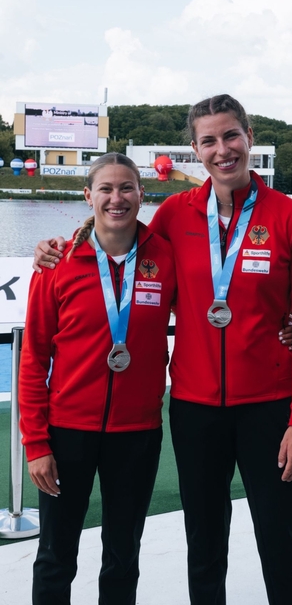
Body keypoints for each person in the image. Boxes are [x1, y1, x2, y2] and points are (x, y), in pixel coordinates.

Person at [33, 94, 292, 605]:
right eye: (208, 140)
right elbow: (120, 243)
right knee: (204, 547)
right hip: (194, 409)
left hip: (269, 409)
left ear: (248, 138)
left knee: (280, 544)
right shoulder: (173, 216)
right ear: (195, 150)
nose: (222, 149)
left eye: (230, 135)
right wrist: (54, 249)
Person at [19, 153, 176, 605]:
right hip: (67, 433)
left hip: (137, 433)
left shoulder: (164, 258)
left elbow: (214, 308)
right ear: (88, 196)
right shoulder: (57, 264)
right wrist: (37, 444)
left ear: (142, 195)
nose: (116, 198)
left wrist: (283, 322)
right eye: (105, 189)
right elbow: (34, 360)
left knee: (123, 554)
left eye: (126, 187)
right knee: (55, 556)